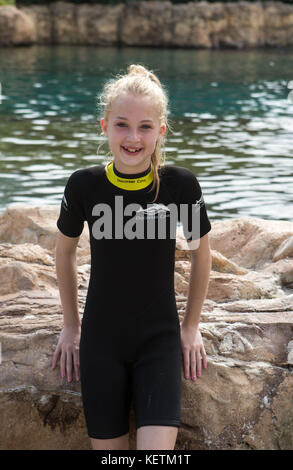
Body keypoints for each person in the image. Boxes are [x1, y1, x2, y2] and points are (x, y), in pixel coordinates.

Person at [52, 64, 212, 450]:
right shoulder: (84, 185)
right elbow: (65, 252)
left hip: (158, 342)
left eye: (144, 127)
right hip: (100, 342)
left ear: (160, 131)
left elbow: (201, 255)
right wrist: (72, 326)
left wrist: (190, 326)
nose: (133, 137)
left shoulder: (181, 186)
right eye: (122, 125)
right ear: (104, 126)